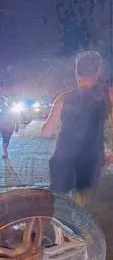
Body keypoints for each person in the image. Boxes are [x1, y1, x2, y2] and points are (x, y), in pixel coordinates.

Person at [42, 50, 113, 204]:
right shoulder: (108, 95)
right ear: (98, 71)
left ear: (77, 72)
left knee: (60, 210)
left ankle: (60, 227)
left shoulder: (63, 98)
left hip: (62, 162)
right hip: (90, 163)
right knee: (84, 211)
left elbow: (47, 132)